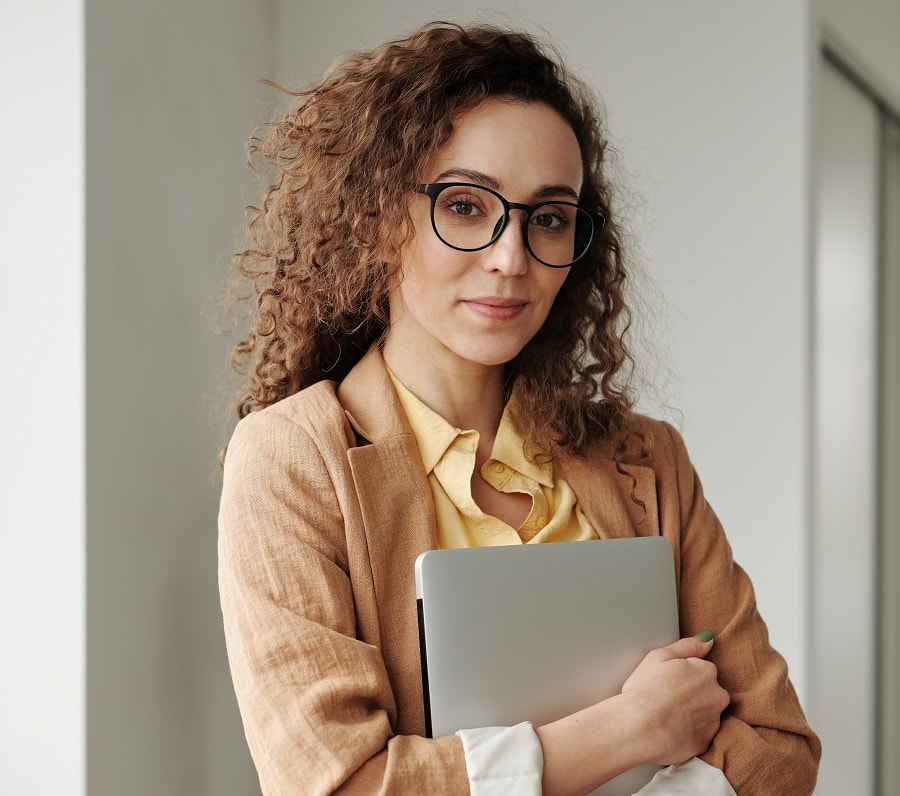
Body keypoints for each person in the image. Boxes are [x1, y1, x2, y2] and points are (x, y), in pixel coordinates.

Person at [218, 21, 821, 795]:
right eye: (466, 206)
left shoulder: (647, 460)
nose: (511, 257)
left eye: (548, 217)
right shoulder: (293, 461)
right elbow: (343, 784)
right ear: (376, 216)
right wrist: (629, 731)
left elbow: (781, 754)